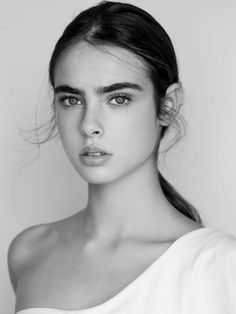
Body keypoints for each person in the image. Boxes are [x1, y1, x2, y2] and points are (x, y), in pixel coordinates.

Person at [8, 1, 236, 313]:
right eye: (71, 99)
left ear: (167, 105)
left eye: (118, 98)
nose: (89, 125)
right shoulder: (28, 252)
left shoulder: (220, 265)